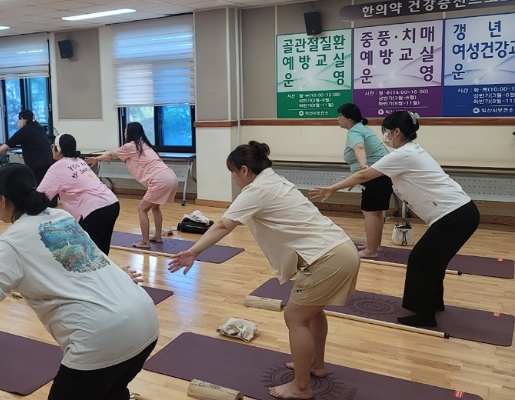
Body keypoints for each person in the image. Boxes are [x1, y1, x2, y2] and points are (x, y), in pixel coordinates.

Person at [0, 163, 158, 399]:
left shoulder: (11, 242)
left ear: (2, 200)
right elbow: (89, 259)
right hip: (144, 319)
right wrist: (116, 274)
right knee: (112, 393)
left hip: (102, 337)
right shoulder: (61, 217)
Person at [167, 142, 360, 400]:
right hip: (341, 249)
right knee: (311, 313)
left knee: (296, 318)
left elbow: (224, 225)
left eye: (233, 172)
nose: (233, 178)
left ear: (244, 170)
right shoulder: (275, 180)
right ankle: (315, 364)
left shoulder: (256, 190)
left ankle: (301, 387)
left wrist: (193, 251)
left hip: (327, 258)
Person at [310, 111, 480, 328]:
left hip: (454, 215)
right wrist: (350, 182)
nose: (386, 136)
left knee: (421, 260)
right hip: (460, 213)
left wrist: (332, 188)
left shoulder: (404, 155)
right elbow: (371, 175)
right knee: (432, 261)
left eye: (387, 131)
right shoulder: (411, 152)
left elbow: (363, 174)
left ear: (397, 131)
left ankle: (424, 316)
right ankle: (433, 305)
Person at [86, 122, 176, 249]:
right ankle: (158, 236)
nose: (124, 132)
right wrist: (107, 158)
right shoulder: (144, 144)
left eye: (125, 130)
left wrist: (96, 159)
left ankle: (145, 242)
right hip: (170, 176)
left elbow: (111, 154)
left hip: (160, 179)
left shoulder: (131, 145)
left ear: (129, 132)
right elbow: (114, 156)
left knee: (142, 209)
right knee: (155, 207)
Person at [37, 134, 120, 254]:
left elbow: (40, 196)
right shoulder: (80, 161)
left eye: (53, 146)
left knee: (87, 251)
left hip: (95, 210)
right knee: (101, 248)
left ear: (58, 149)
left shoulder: (58, 167)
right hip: (112, 203)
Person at [336, 103, 393, 258]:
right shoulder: (362, 129)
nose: (338, 119)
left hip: (375, 177)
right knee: (376, 212)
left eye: (340, 115)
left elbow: (359, 148)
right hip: (381, 176)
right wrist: (356, 177)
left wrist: (363, 167)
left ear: (349, 118)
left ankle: (371, 250)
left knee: (371, 212)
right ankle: (374, 245)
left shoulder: (355, 131)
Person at [0, 110, 53, 185]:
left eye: (20, 119)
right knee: (45, 184)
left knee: (36, 184)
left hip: (37, 163)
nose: (18, 122)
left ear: (24, 119)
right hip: (48, 160)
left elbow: (8, 144)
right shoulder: (40, 128)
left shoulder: (26, 130)